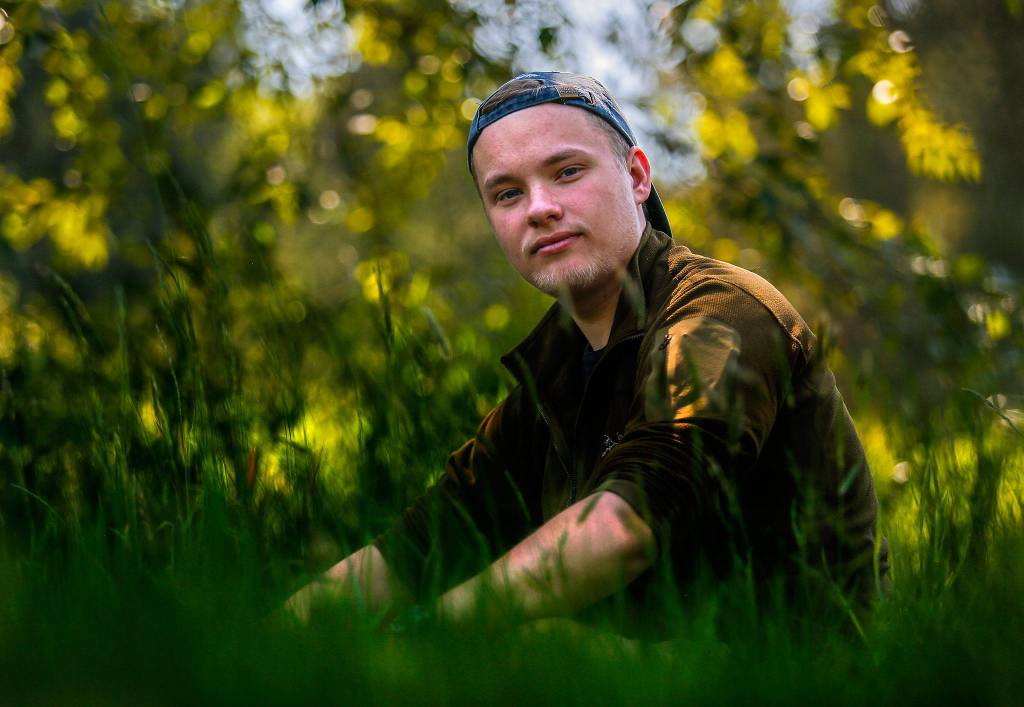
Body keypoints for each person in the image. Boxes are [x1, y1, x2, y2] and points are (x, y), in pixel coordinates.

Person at [285, 71, 888, 636]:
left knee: (536, 645)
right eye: (507, 194)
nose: (539, 208)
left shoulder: (720, 314)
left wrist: (432, 634)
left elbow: (634, 519)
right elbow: (416, 549)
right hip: (652, 676)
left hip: (797, 674)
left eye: (567, 172)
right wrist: (272, 642)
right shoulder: (553, 379)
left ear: (637, 176)